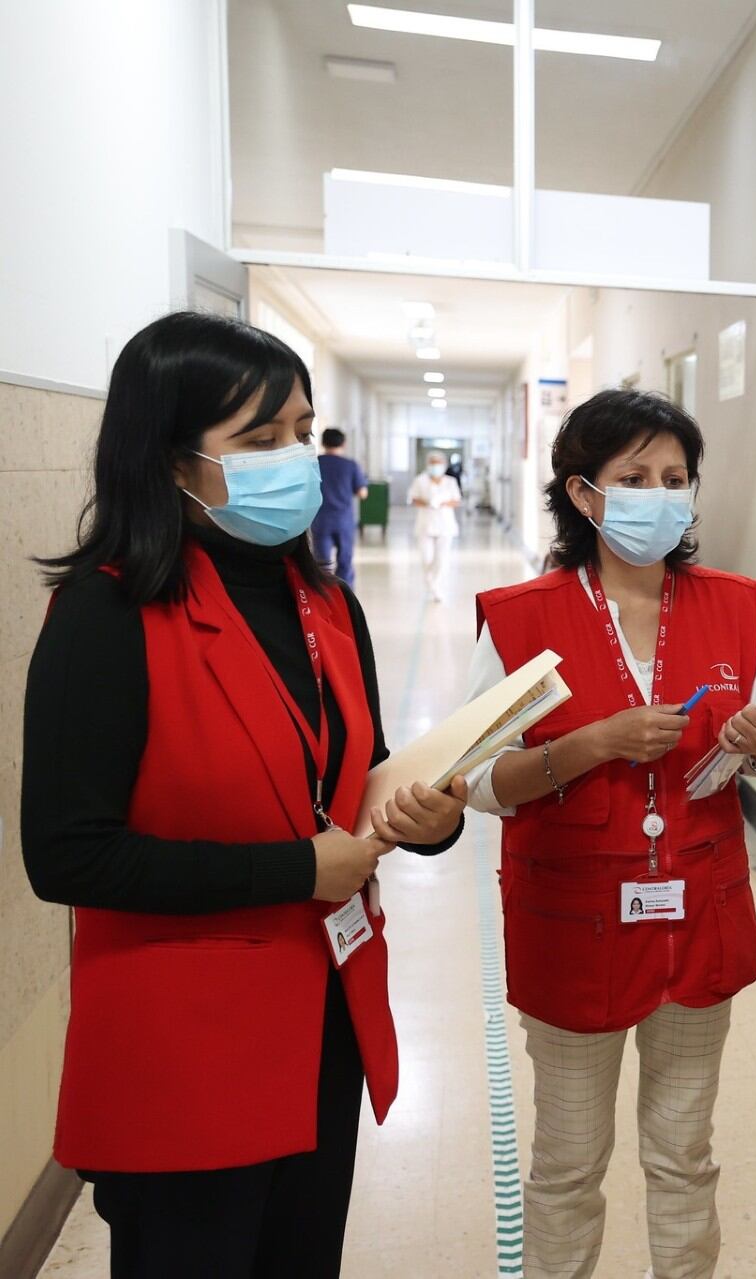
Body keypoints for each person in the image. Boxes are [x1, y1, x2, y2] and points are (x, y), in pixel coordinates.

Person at [20, 311, 467, 1277]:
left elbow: (361, 768)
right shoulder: (107, 613)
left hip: (321, 1022)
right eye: (259, 441)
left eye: (301, 433)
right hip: (184, 1043)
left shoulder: (328, 603)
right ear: (173, 462)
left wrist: (430, 820)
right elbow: (66, 852)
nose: (294, 460)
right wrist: (300, 867)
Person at [463, 389, 756, 1279]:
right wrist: (585, 746)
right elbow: (476, 784)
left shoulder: (734, 606)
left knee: (684, 1155)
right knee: (568, 1166)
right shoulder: (519, 617)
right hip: (574, 929)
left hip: (700, 918)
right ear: (583, 493)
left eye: (676, 477)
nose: (661, 494)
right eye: (634, 477)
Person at [313, 427, 368, 586]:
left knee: (322, 563)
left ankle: (323, 597)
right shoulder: (350, 465)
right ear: (343, 443)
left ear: (323, 442)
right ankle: (345, 597)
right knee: (345, 561)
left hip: (320, 519)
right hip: (344, 520)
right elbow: (362, 493)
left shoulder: (315, 464)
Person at [410, 450, 461, 602]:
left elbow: (456, 500)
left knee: (441, 559)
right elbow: (413, 499)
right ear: (428, 465)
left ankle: (435, 586)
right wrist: (428, 503)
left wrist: (442, 503)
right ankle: (432, 586)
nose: (435, 467)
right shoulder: (420, 480)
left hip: (445, 526)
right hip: (425, 525)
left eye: (438, 464)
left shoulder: (450, 481)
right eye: (432, 464)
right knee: (426, 559)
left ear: (444, 465)